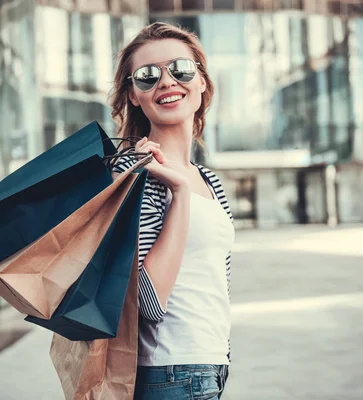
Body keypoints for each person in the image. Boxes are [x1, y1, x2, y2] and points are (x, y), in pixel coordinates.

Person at [109, 22, 235, 400]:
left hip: (210, 366)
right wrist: (177, 192)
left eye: (180, 69)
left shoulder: (209, 180)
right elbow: (147, 301)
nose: (166, 82)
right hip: (170, 371)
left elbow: (216, 285)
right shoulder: (134, 174)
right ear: (133, 95)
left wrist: (221, 357)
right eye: (147, 75)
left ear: (201, 83)